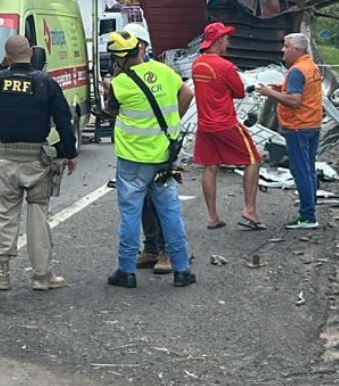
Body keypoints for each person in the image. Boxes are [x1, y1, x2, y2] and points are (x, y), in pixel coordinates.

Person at [0, 35, 78, 291]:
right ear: (32, 53)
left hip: (6, 159)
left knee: (4, 214)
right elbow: (63, 119)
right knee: (38, 216)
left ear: (7, 55)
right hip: (37, 160)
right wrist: (69, 153)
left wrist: (2, 68)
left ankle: (2, 273)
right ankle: (42, 275)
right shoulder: (45, 82)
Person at [104, 30, 196, 289]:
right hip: (164, 156)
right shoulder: (164, 71)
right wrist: (170, 126)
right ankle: (181, 269)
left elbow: (110, 112)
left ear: (120, 58)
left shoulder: (119, 84)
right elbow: (187, 95)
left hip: (133, 160)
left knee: (131, 214)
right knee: (170, 212)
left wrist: (108, 88)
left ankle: (126, 270)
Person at [191, 23, 265, 230]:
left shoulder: (197, 65)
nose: (228, 42)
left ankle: (212, 216)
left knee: (210, 165)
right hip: (225, 122)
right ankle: (249, 208)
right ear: (218, 41)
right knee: (253, 158)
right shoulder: (225, 66)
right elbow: (240, 92)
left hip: (204, 124)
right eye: (226, 39)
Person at [256, 32, 324, 229]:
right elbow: (303, 90)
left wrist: (270, 93)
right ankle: (309, 207)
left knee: (300, 171)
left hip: (297, 127)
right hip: (312, 124)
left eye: (286, 46)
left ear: (296, 49)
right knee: (309, 169)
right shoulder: (310, 66)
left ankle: (307, 217)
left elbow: (295, 100)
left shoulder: (296, 71)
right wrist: (281, 87)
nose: (282, 50)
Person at [122, 22, 170, 275]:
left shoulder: (159, 72)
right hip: (135, 151)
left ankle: (165, 251)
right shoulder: (125, 77)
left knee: (160, 202)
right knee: (142, 204)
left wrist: (168, 130)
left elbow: (184, 95)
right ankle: (151, 248)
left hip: (157, 150)